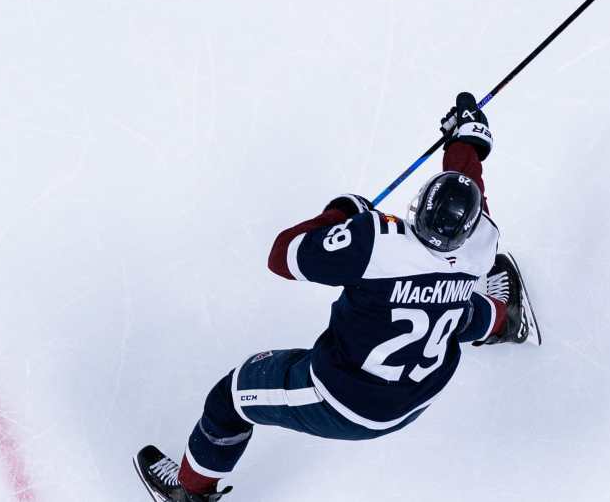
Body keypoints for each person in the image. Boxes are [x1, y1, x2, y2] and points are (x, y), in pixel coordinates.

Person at [133, 94, 536, 500]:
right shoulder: (481, 241)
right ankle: (506, 322)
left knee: (231, 397)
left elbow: (283, 255)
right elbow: (470, 185)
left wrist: (343, 211)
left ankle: (190, 492)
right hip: (424, 390)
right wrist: (467, 142)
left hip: (349, 402)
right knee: (456, 306)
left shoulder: (375, 243)